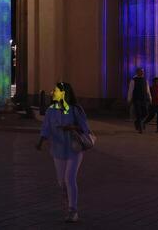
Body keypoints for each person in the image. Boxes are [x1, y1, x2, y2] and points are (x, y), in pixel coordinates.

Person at [37, 80, 92, 224]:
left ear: (63, 94)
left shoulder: (75, 109)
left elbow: (85, 128)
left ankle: (73, 210)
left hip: (74, 149)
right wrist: (40, 141)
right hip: (58, 149)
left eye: (56, 90)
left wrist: (72, 127)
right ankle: (68, 203)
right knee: (61, 182)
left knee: (69, 178)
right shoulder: (51, 110)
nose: (53, 93)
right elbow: (46, 127)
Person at [126, 67, 150, 133]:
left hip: (144, 98)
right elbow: (130, 90)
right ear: (137, 72)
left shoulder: (145, 80)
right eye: (141, 71)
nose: (142, 72)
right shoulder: (133, 80)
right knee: (138, 113)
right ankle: (140, 128)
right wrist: (129, 99)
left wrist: (150, 98)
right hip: (136, 99)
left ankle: (137, 122)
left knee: (145, 113)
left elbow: (148, 90)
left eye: (143, 71)